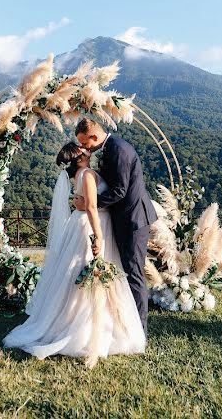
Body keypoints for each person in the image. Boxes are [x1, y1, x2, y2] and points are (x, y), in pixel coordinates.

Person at [2, 141, 146, 365]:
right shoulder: (87, 174)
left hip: (83, 223)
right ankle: (81, 327)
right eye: (83, 148)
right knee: (85, 272)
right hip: (92, 225)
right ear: (79, 157)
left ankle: (81, 320)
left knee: (77, 273)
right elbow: (90, 206)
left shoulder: (81, 174)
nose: (87, 149)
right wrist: (98, 236)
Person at [74, 118, 157, 337]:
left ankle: (139, 331)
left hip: (132, 219)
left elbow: (119, 191)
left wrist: (90, 204)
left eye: (85, 143)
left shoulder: (118, 150)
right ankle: (124, 320)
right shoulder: (109, 147)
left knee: (133, 273)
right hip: (123, 218)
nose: (84, 148)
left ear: (94, 136)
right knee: (126, 270)